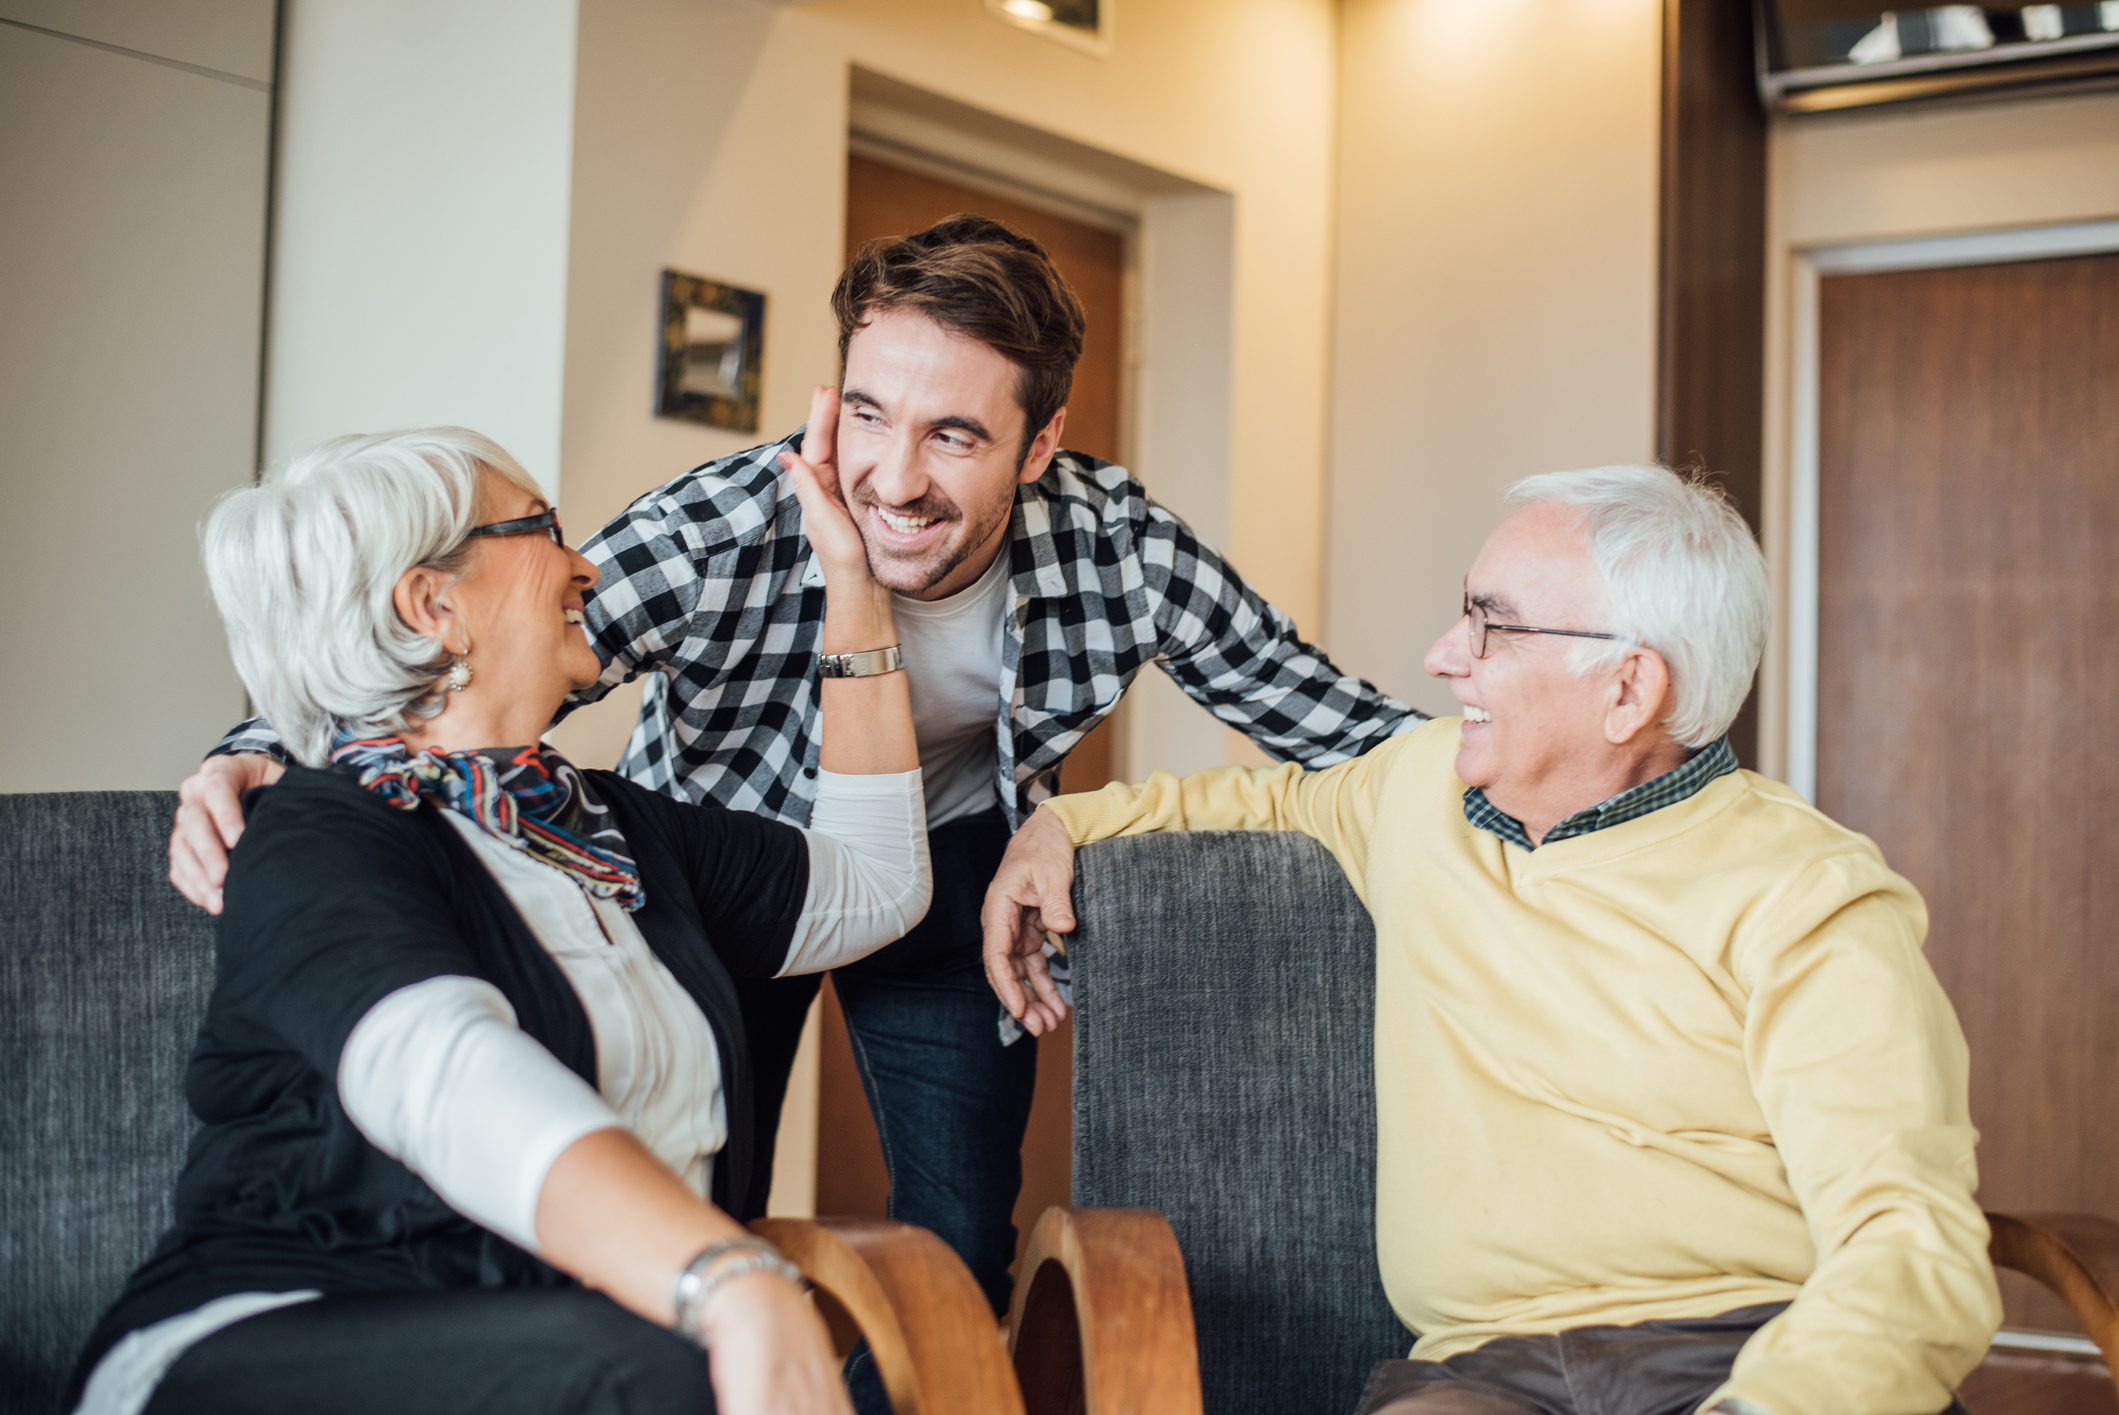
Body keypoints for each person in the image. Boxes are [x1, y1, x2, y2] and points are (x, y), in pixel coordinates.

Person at [166, 215, 1425, 1321]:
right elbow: (475, 652)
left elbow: (1333, 722)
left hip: (949, 871)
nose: (892, 478)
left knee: (956, 1236)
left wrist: (1548, 761)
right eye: (867, 414)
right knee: (707, 1196)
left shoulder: (1119, 549)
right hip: (715, 872)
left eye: (954, 437)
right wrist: (259, 750)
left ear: (1040, 445)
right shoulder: (732, 520)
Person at [984, 465, 2000, 1415]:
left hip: (1753, 1352)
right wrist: (1060, 824)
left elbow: (1911, 1245)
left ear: (1627, 689)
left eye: (1492, 625)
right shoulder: (1417, 785)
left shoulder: (1805, 892)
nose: (1441, 655)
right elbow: (1256, 799)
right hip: (1486, 1376)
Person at [73, 424, 927, 1415]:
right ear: (433, 603)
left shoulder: (618, 828)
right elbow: (450, 1076)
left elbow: (877, 885)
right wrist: (725, 1277)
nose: (587, 562)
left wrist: (854, 582)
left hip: (576, 1346)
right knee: (660, 1373)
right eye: (545, 529)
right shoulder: (316, 831)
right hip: (275, 1337)